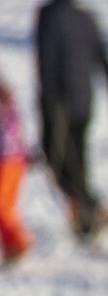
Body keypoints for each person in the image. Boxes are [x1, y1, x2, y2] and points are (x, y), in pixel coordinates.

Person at [34, 0, 108, 240]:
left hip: (58, 104)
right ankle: (87, 214)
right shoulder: (86, 18)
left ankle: (89, 211)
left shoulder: (48, 15)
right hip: (83, 101)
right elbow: (104, 59)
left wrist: (48, 104)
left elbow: (46, 60)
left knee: (57, 162)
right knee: (78, 163)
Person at [0, 76, 33, 267]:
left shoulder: (6, 104)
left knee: (3, 205)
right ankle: (14, 244)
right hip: (13, 160)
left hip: (9, 161)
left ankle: (17, 243)